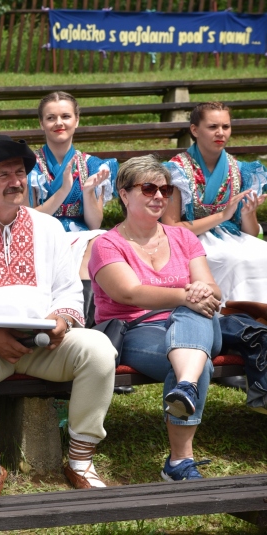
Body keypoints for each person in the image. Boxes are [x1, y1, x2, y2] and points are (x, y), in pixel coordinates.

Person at [0, 135, 117, 496]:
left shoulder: (48, 227)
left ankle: (80, 460)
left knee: (98, 349)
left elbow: (68, 289)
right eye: (3, 174)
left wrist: (62, 320)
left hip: (45, 345)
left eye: (19, 172)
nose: (16, 181)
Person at [89, 155, 222, 481]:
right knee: (198, 362)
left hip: (197, 324)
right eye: (148, 188)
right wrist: (186, 295)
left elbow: (212, 291)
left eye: (166, 189)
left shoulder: (183, 237)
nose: (159, 196)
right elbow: (129, 294)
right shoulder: (107, 244)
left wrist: (197, 297)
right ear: (124, 194)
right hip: (136, 328)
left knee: (192, 316)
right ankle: (179, 461)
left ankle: (185, 387)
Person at [162, 102, 267, 305]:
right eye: (212, 127)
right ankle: (228, 315)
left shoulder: (240, 170)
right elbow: (171, 228)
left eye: (225, 127)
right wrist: (221, 216)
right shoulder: (176, 171)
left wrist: (247, 214)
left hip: (231, 238)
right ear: (194, 130)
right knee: (230, 259)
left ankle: (259, 318)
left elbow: (251, 233)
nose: (220, 133)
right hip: (191, 241)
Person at [26, 91, 117, 320]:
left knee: (98, 238)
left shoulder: (92, 165)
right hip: (42, 231)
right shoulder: (29, 165)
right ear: (41, 123)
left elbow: (94, 222)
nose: (59, 123)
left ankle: (85, 317)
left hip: (79, 234)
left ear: (76, 120)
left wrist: (87, 191)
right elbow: (29, 217)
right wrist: (64, 190)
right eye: (51, 117)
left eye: (65, 116)